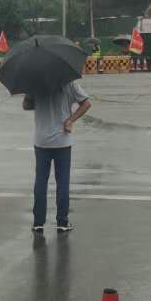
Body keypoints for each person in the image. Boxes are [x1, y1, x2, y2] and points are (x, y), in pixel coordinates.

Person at [24, 80, 92, 234]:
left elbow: (26, 106)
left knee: (41, 182)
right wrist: (70, 120)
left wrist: (31, 96)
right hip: (63, 141)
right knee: (62, 183)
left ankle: (38, 223)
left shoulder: (35, 83)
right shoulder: (69, 82)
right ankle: (62, 222)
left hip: (42, 141)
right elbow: (86, 103)